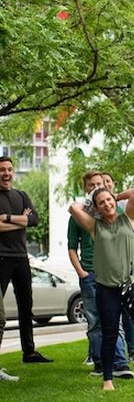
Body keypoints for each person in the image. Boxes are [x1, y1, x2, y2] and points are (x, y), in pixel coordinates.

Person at [69, 187, 134, 391]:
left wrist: (115, 196)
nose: (107, 204)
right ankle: (107, 380)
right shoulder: (94, 226)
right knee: (110, 333)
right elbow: (73, 208)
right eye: (102, 203)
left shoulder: (129, 218)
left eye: (109, 200)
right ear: (96, 207)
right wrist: (91, 203)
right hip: (107, 289)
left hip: (133, 284)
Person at [67, 170, 134, 378]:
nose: (96, 187)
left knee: (116, 320)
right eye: (91, 185)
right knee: (95, 321)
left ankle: (121, 363)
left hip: (113, 273)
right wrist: (82, 273)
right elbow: (72, 247)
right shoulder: (81, 218)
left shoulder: (112, 213)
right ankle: (99, 363)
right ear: (85, 189)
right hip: (91, 273)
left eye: (99, 184)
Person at [0, 155, 53, 377]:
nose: (6, 173)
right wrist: (20, 220)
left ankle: (29, 352)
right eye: (2, 169)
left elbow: (34, 220)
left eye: (9, 169)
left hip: (21, 257)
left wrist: (7, 218)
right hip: (1, 258)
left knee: (26, 306)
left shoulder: (21, 195)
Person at [102, 171, 134, 365]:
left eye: (108, 182)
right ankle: (112, 364)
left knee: (132, 318)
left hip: (129, 273)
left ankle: (132, 351)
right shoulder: (98, 212)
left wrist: (115, 197)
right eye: (101, 183)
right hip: (109, 275)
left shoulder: (122, 208)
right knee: (109, 322)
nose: (105, 185)